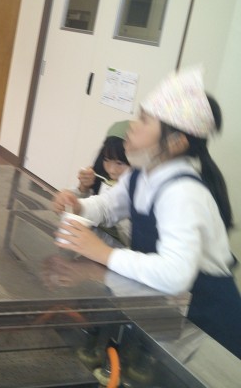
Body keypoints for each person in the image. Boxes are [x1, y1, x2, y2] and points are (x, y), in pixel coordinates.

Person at [52, 69, 241, 359]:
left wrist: (103, 253)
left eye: (144, 120)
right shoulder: (140, 174)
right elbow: (108, 207)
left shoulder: (182, 193)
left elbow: (175, 274)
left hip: (207, 324)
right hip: (170, 307)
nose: (132, 125)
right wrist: (79, 206)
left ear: (176, 142)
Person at [74, 120, 131, 246]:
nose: (111, 170)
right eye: (106, 159)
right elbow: (87, 212)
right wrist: (83, 188)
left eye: (120, 163)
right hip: (94, 237)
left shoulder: (139, 190)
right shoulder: (100, 176)